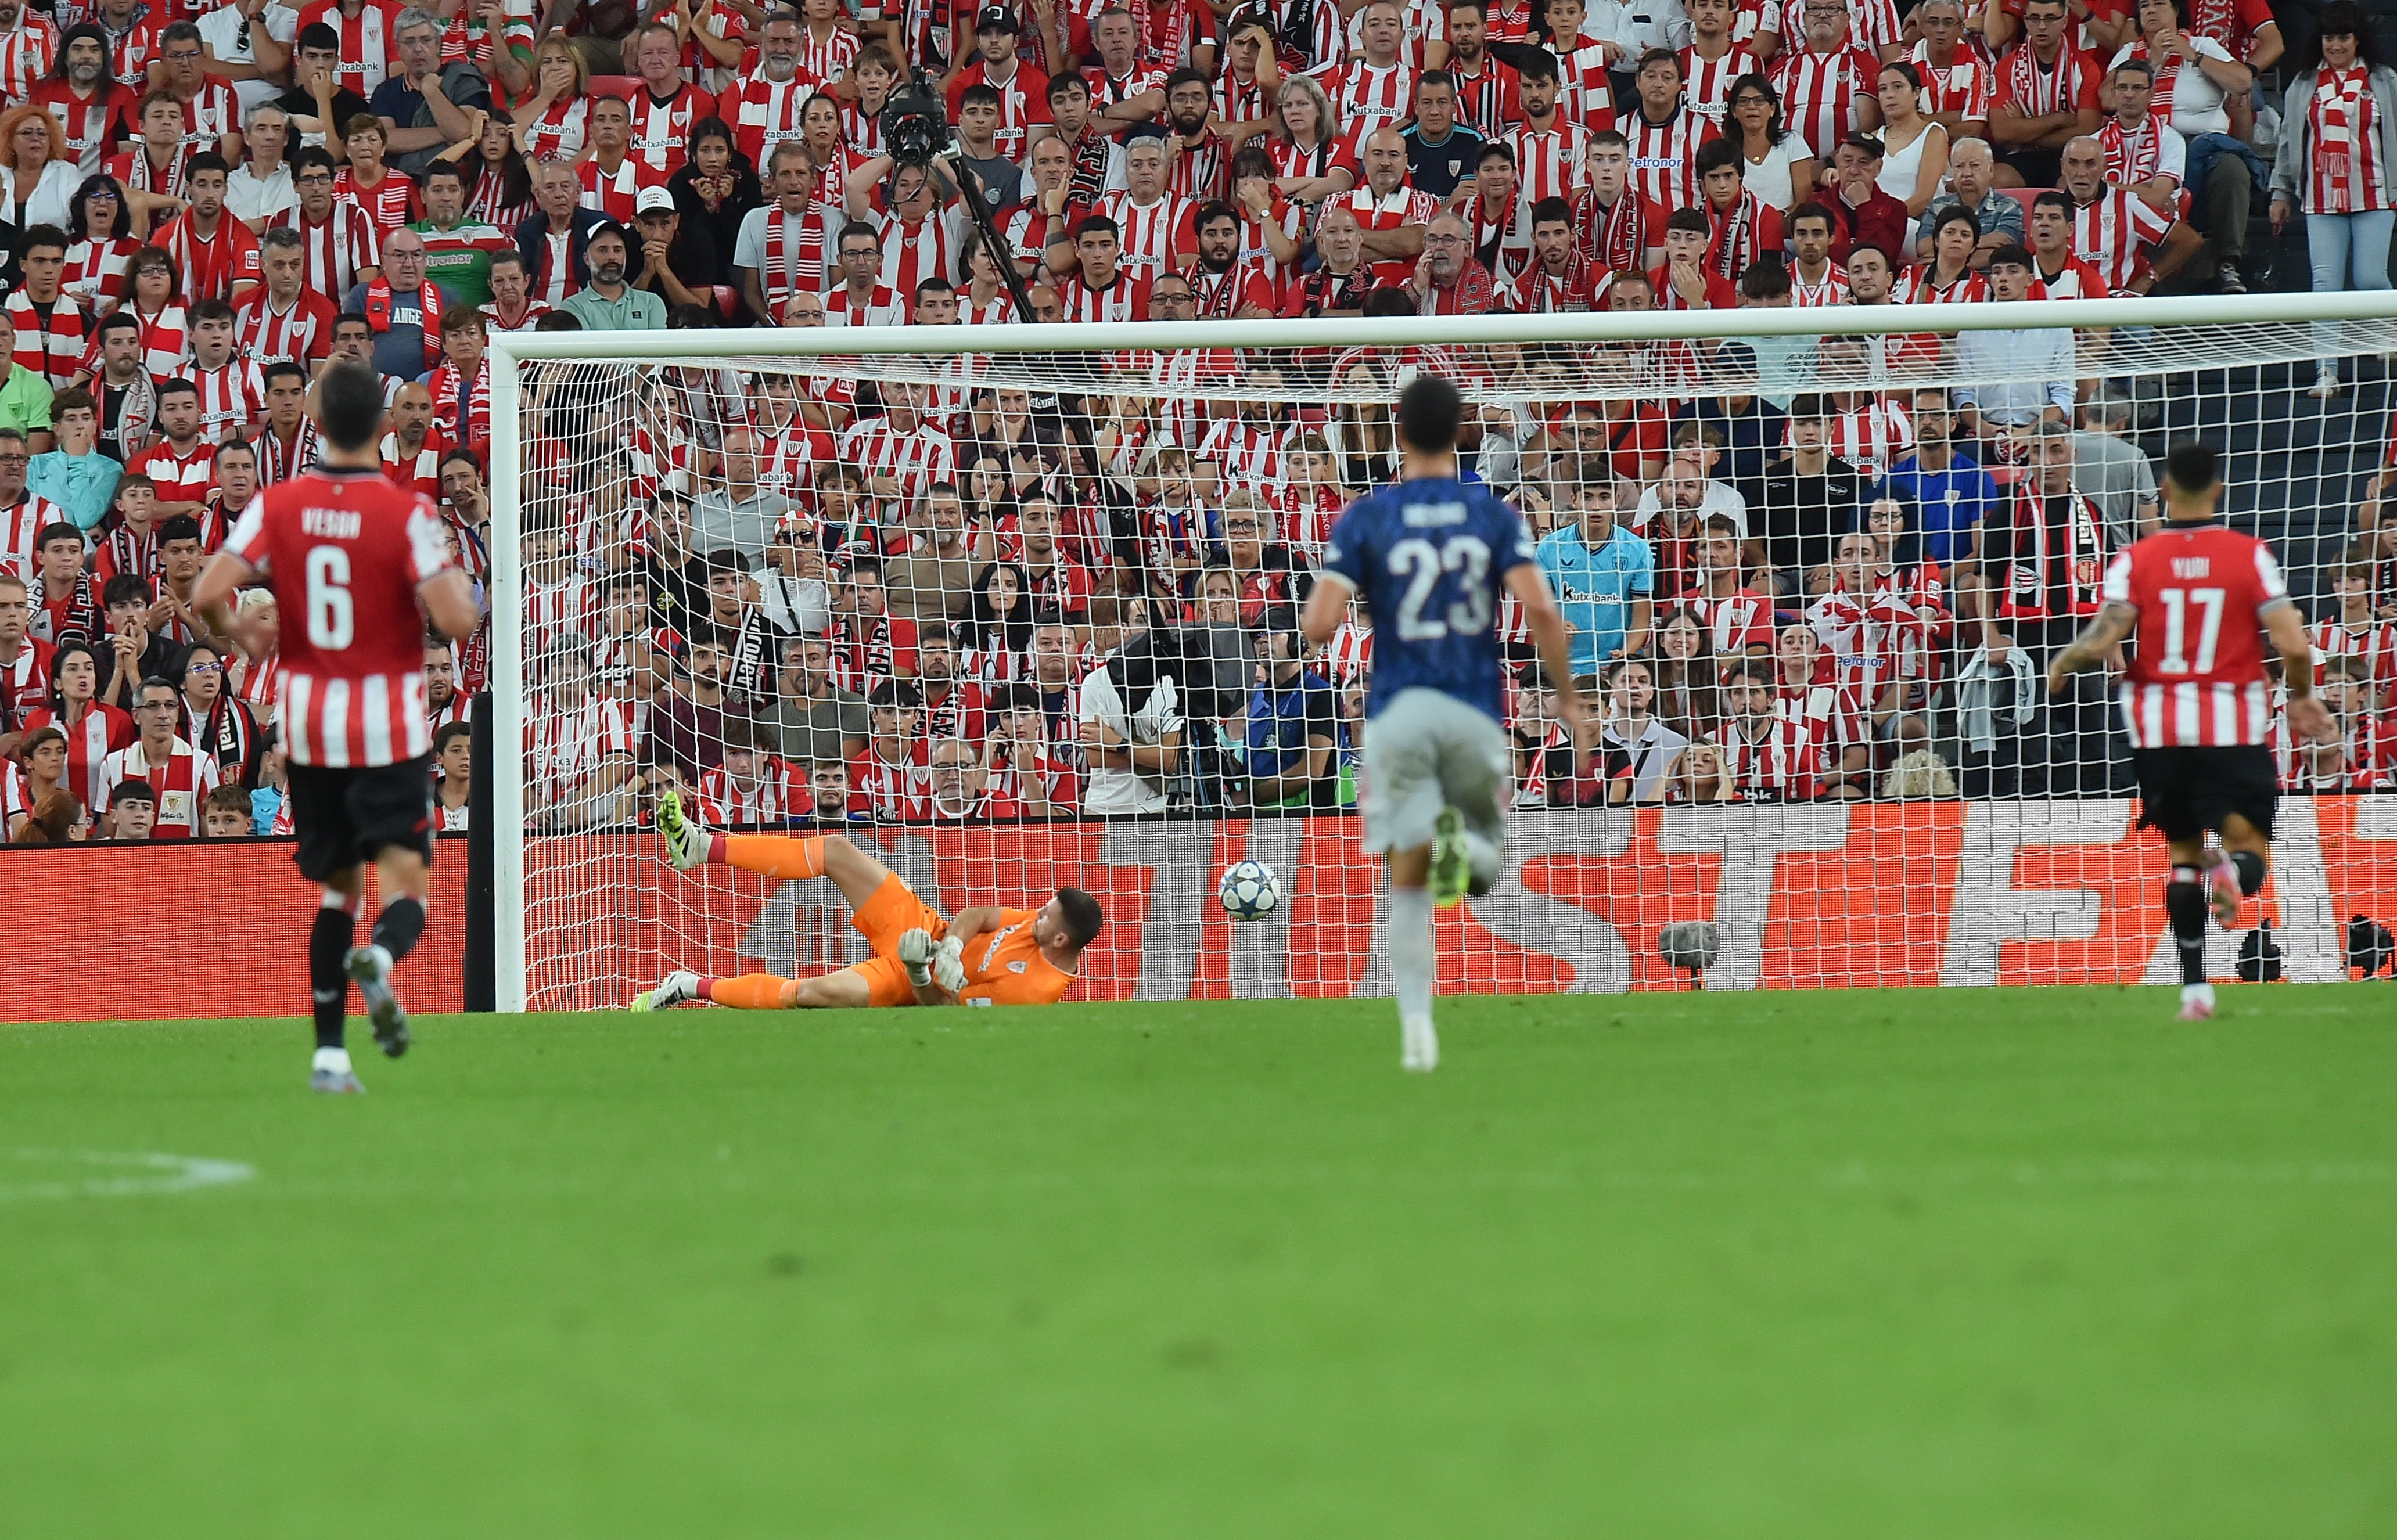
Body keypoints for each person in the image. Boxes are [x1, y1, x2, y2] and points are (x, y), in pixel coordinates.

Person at [191, 359, 481, 1095]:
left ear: (316, 424)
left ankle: (327, 1056)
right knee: (406, 881)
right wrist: (432, 583)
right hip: (384, 725)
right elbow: (455, 620)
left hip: (310, 728)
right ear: (384, 429)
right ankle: (381, 962)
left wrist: (247, 635)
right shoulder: (406, 514)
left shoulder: (280, 505)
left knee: (337, 893)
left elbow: (207, 593)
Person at [1299, 373, 1589, 1073]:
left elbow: (1320, 623)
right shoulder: (1490, 517)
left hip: (1398, 708)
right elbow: (1543, 614)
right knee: (1484, 853)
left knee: (1403, 875)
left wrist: (1338, 597)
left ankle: (1416, 1032)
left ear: (1398, 435)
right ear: (1461, 433)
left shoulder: (1368, 515)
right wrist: (1569, 697)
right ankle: (1475, 850)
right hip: (1470, 703)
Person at [2043, 441, 2335, 1021]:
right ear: (2218, 489)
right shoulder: (2248, 555)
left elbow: (2102, 639)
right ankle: (2230, 872)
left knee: (2181, 855)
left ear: (2165, 492)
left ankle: (2195, 992)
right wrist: (2301, 696)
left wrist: (2062, 664)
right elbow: (2291, 643)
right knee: (2248, 848)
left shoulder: (2135, 558)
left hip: (2157, 731)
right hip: (2230, 724)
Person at [634, 801, 1106, 1010]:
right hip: (925, 931)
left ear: (1061, 940)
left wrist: (921, 970)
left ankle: (690, 986)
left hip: (911, 981)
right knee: (838, 850)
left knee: (808, 994)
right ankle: (700, 847)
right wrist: (950, 945)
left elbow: (945, 1011)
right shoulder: (1042, 926)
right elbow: (980, 916)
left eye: (1045, 917)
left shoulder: (1034, 994)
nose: (1036, 915)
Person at [2269, 2, 2397, 400]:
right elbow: (2288, 139)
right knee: (2324, 286)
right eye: (2328, 37)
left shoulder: (2384, 79)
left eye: (2343, 37)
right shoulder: (2304, 83)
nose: (2335, 45)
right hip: (2320, 196)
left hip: (2374, 191)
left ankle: (2387, 333)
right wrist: (2280, 191)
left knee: (2368, 278)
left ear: (2358, 39)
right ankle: (2326, 372)